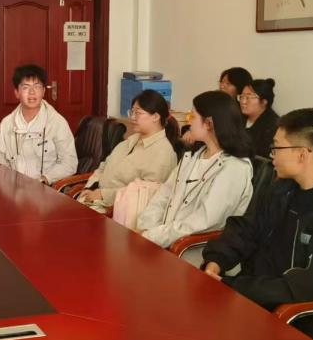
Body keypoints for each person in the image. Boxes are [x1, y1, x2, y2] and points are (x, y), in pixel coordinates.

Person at [201, 108, 313, 308]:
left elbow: (309, 286)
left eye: (276, 148)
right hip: (253, 295)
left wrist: (233, 286)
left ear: (302, 155)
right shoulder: (281, 185)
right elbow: (247, 227)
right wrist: (217, 261)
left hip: (290, 312)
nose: (272, 156)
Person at [137, 91, 253, 248]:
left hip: (192, 251)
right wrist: (145, 228)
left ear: (209, 124)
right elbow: (164, 194)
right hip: (163, 240)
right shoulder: (194, 156)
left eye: (192, 116)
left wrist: (152, 236)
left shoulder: (235, 168)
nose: (188, 121)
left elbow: (203, 222)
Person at [76, 89, 177, 213]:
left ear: (155, 117)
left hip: (118, 211)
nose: (132, 118)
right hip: (96, 199)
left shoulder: (163, 153)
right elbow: (103, 167)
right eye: (132, 112)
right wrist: (90, 188)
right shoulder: (130, 141)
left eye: (138, 113)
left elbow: (143, 195)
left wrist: (103, 195)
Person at [0, 64, 77, 184]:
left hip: (47, 188)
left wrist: (45, 179)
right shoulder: (7, 123)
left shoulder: (57, 122)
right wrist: (9, 182)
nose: (32, 92)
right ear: (17, 93)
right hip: (13, 188)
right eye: (26, 87)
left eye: (37, 86)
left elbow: (69, 162)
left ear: (43, 91)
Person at [239, 78, 279, 158]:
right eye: (242, 97)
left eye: (248, 97)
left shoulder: (273, 126)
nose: (243, 102)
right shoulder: (238, 118)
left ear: (264, 102)